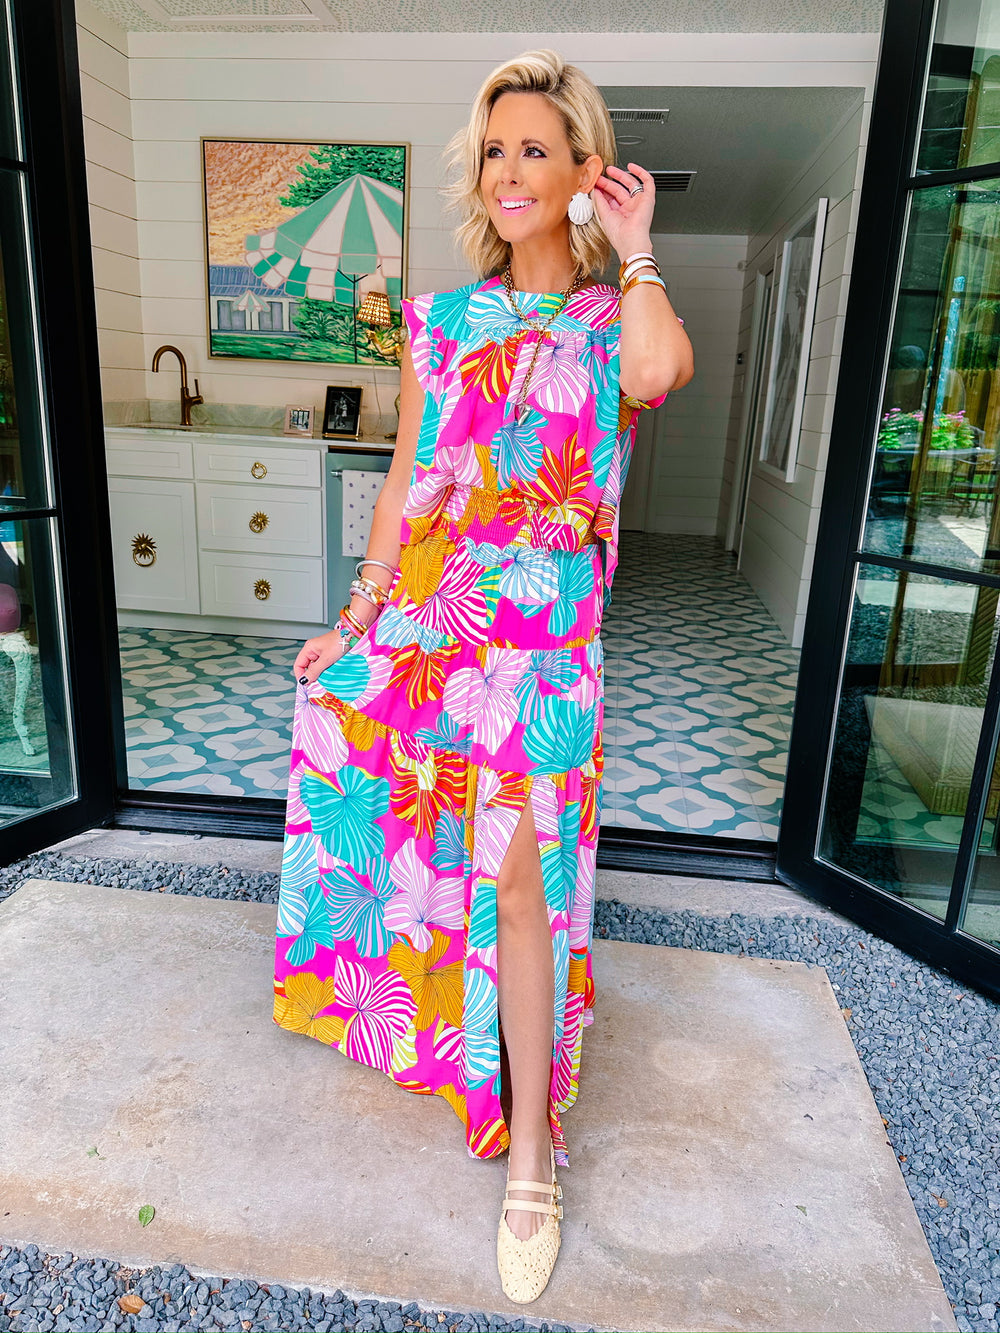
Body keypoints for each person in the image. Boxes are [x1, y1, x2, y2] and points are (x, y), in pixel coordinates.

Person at [273, 48, 693, 1304]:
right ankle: (447, 1038)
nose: (510, 172)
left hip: (548, 647)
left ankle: (531, 1153)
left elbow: (658, 376)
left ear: (580, 170)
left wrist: (638, 248)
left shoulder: (613, 318)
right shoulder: (441, 323)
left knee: (521, 879)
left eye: (536, 150)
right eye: (495, 150)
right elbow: (407, 482)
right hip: (437, 627)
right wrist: (354, 616)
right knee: (428, 834)